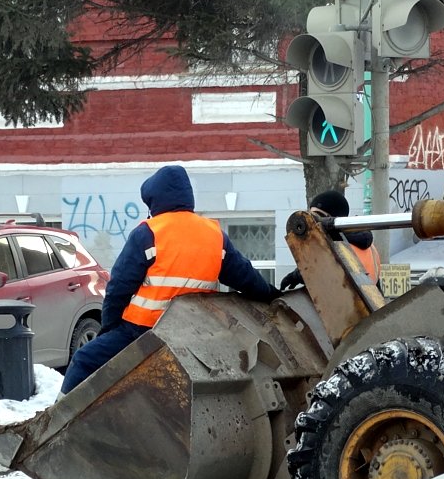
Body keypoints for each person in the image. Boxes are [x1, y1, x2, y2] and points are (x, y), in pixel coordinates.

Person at [60, 164, 280, 394]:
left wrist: (109, 329)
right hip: (194, 334)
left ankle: (53, 424)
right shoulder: (214, 235)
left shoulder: (149, 233)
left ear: (155, 201)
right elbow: (246, 278)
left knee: (84, 359)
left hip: (143, 331)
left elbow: (118, 288)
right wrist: (272, 294)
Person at [279, 190, 382, 290]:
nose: (312, 222)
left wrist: (295, 276)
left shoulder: (338, 244)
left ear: (330, 220)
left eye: (317, 216)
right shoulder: (369, 247)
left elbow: (320, 269)